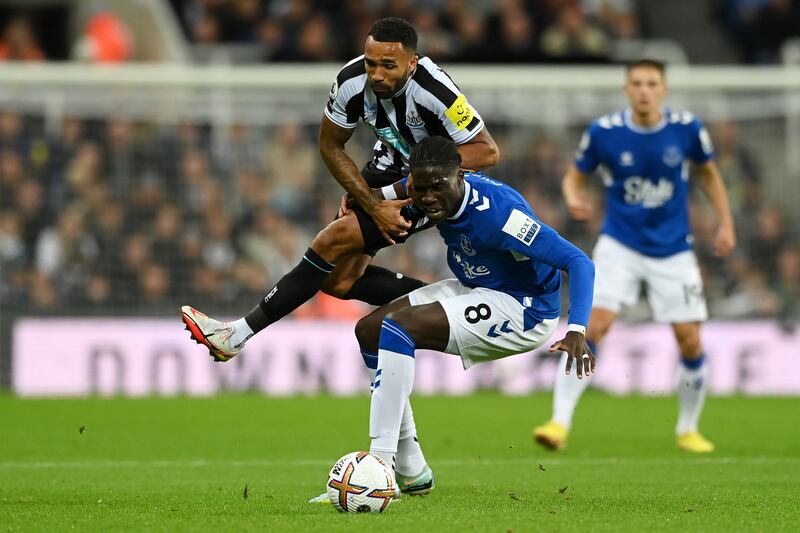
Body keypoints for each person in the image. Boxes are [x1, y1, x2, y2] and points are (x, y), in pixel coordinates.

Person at [181, 17, 498, 360]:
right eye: (371, 63)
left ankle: (236, 334)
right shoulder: (351, 82)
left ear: (412, 63)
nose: (376, 74)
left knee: (331, 241)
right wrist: (370, 198)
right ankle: (457, 305)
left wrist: (395, 190)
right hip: (387, 163)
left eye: (388, 66)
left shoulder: (435, 91)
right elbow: (330, 145)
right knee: (337, 280)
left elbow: (486, 151)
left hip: (432, 187)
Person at [325, 136, 595, 496]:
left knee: (399, 328)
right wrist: (365, 198)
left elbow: (578, 261)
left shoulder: (501, 216)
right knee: (370, 330)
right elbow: (399, 189)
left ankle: (379, 467)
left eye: (438, 187)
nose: (428, 198)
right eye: (420, 190)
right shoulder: (422, 184)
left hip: (524, 307)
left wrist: (576, 327)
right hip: (477, 286)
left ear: (461, 175)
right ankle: (412, 470)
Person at [533, 59, 736, 454]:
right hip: (620, 245)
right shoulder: (604, 133)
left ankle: (688, 429)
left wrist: (725, 223)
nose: (644, 90)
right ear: (626, 89)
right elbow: (576, 174)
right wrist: (573, 195)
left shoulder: (687, 129)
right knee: (594, 328)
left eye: (652, 83)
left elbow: (709, 175)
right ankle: (559, 422)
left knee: (690, 340)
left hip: (674, 249)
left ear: (664, 89)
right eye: (637, 83)